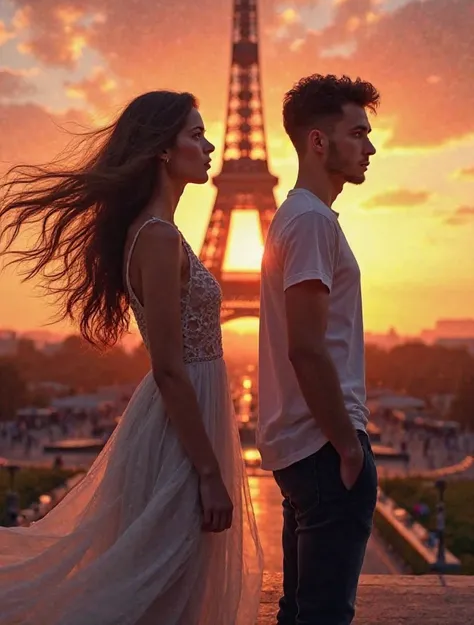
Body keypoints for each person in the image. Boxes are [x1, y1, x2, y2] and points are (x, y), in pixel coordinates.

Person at [0, 91, 263, 625]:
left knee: (168, 585)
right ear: (163, 150)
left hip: (179, 422)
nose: (210, 145)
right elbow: (168, 366)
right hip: (181, 434)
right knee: (168, 589)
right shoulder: (159, 238)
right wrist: (209, 472)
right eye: (196, 134)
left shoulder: (157, 233)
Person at [258, 75, 380, 625]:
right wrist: (348, 447)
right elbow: (306, 349)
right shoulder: (309, 220)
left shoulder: (300, 216)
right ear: (317, 141)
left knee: (302, 611)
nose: (370, 147)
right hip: (325, 448)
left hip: (304, 446)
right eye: (358, 133)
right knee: (325, 614)